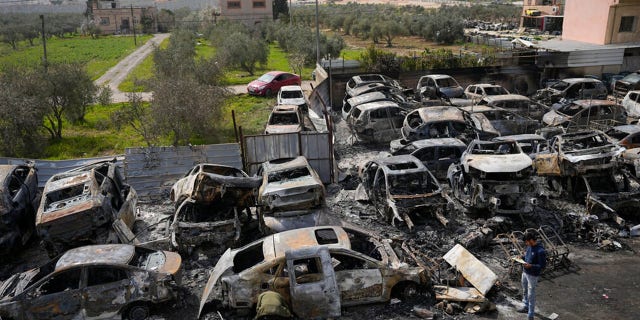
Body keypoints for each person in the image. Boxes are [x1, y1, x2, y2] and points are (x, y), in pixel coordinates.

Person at [518, 232, 546, 320]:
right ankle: (525, 306)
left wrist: (531, 266)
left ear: (531, 240)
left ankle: (530, 315)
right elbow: (527, 257)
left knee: (531, 295)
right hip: (525, 272)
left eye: (526, 242)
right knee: (525, 291)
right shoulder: (529, 247)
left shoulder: (540, 251)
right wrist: (521, 257)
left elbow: (542, 266)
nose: (526, 244)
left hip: (532, 276)